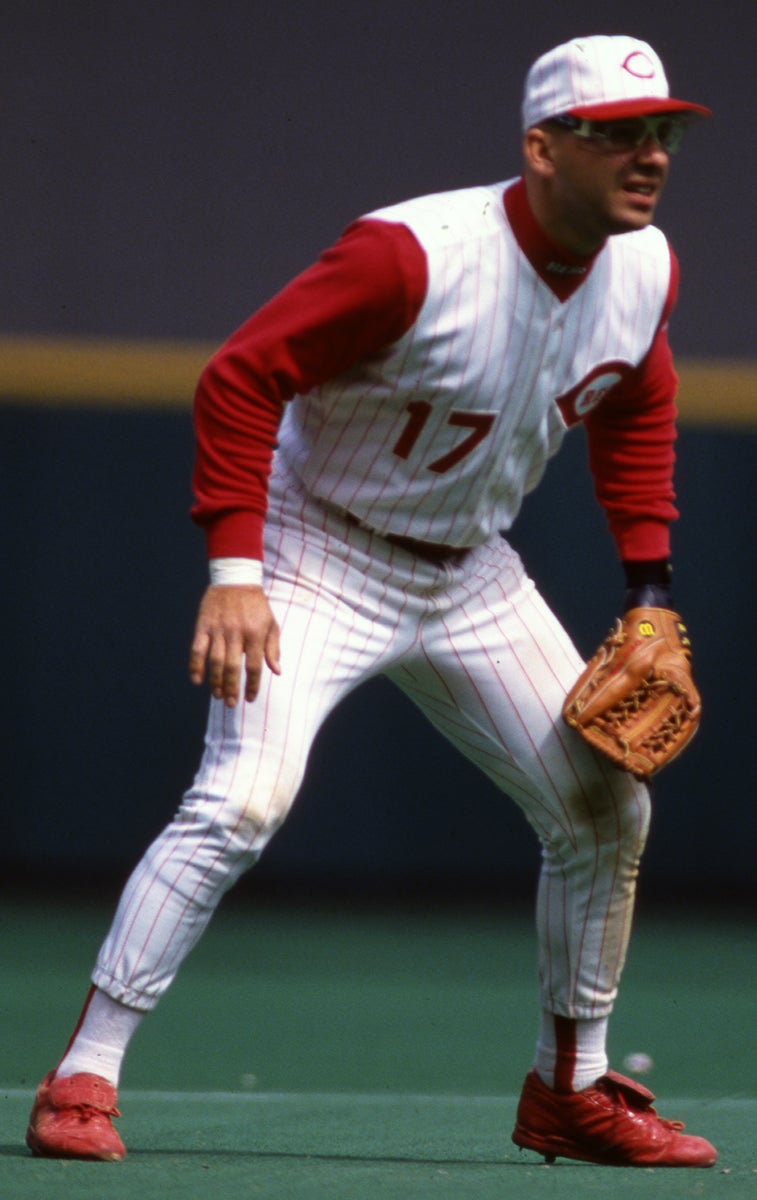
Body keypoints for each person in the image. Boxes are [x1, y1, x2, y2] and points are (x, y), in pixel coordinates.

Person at [27, 34, 717, 1168]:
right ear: (542, 149)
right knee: (244, 798)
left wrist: (649, 590)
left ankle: (571, 1090)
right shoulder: (411, 255)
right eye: (617, 135)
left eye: (662, 134)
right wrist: (236, 573)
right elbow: (241, 377)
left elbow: (636, 405)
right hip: (318, 544)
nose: (649, 156)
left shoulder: (643, 266)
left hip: (467, 568)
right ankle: (83, 1073)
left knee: (607, 808)